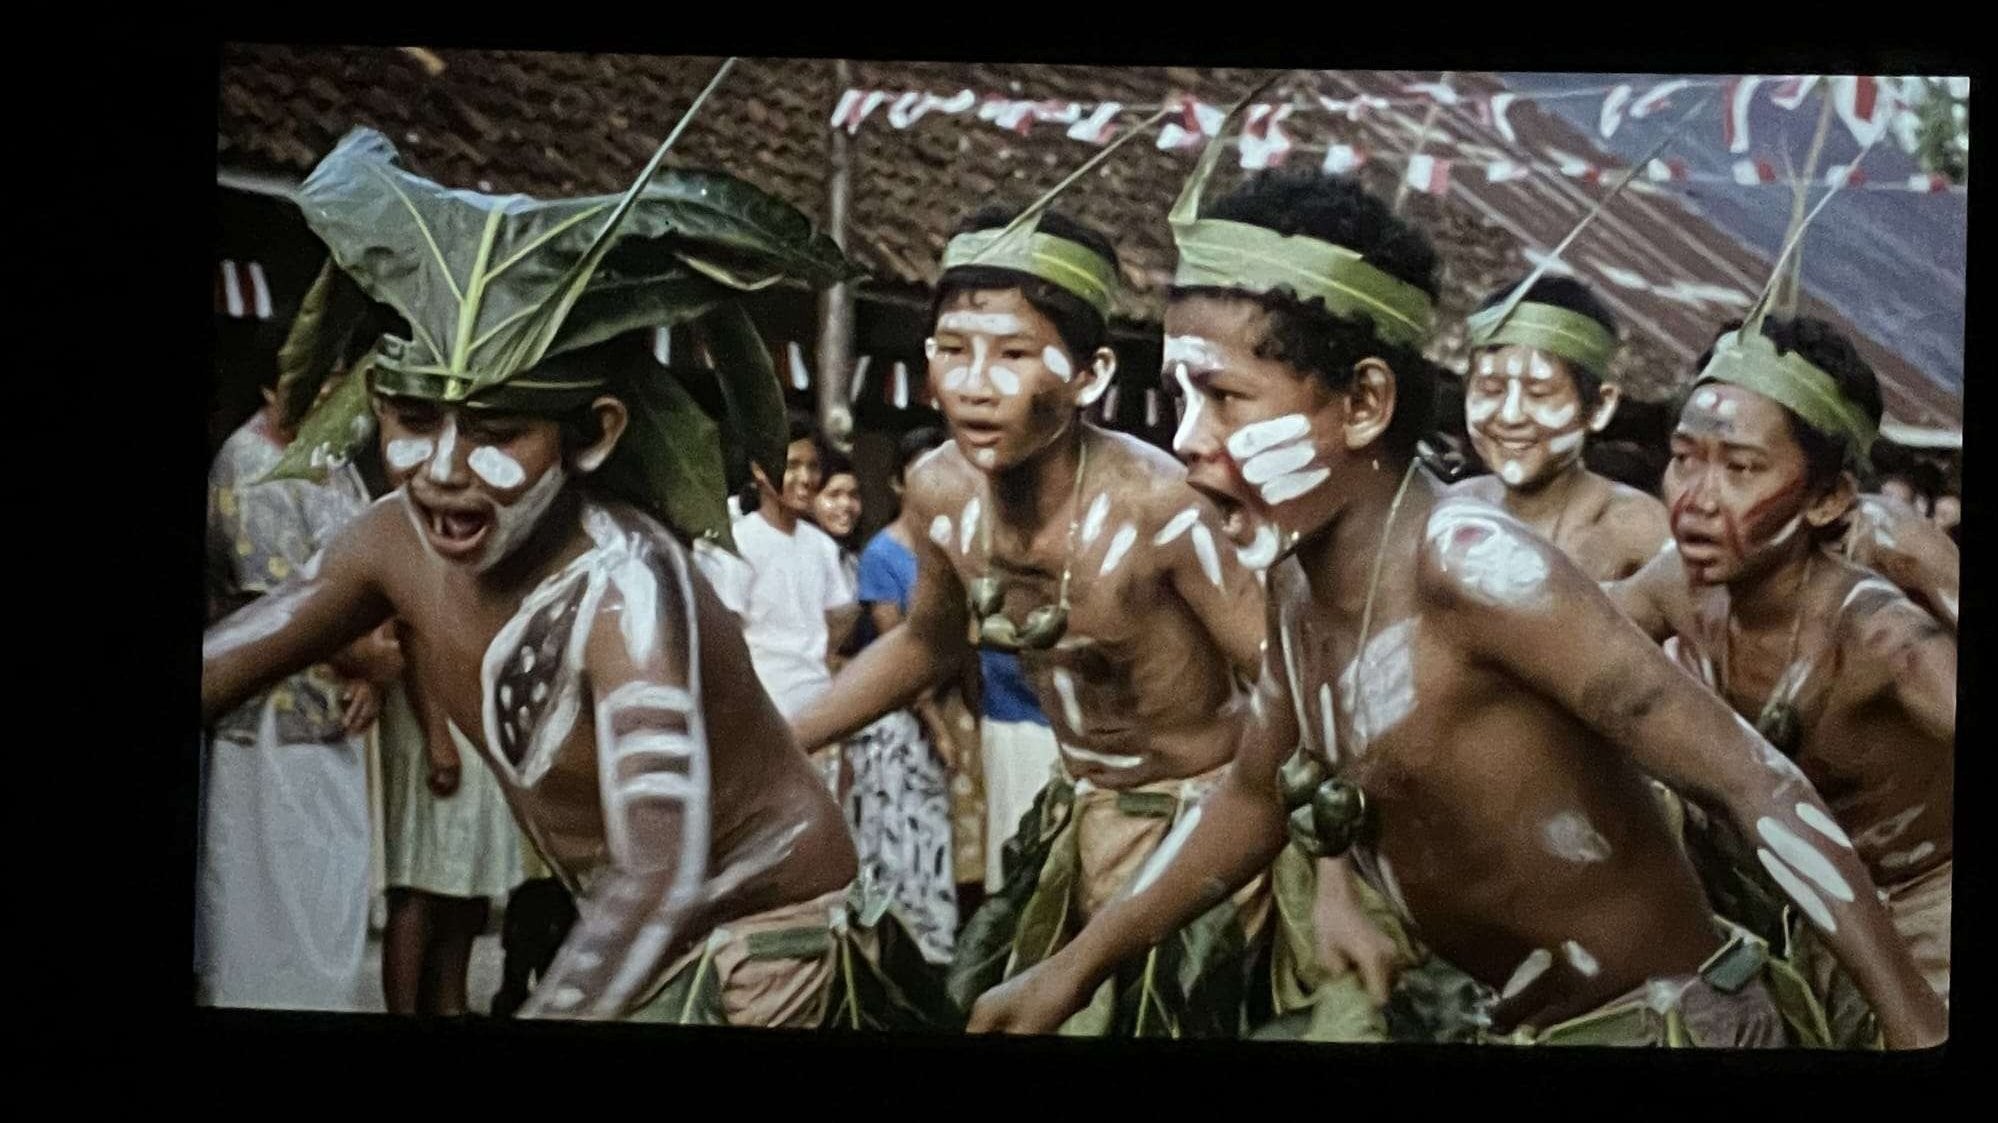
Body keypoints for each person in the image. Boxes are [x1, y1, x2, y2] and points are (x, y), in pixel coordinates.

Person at [967, 166, 1946, 1050]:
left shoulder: (1477, 567)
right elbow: (1255, 798)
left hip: (1667, 1026)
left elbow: (1752, 780)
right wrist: (1072, 966)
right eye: (1183, 396)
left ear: (1363, 404)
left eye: (1226, 397)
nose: (1189, 438)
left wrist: (1913, 1026)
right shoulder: (1295, 580)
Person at [202, 124, 948, 1029]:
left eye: (494, 431)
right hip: (643, 929)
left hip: (760, 936)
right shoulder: (386, 541)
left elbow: (659, 869)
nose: (440, 468)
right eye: (412, 418)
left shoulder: (625, 585)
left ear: (591, 432)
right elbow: (231, 657)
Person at [788, 202, 1319, 1038]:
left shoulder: (1165, 510)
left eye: (1012, 354)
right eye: (953, 350)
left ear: (1090, 375)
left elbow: (1293, 694)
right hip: (1073, 819)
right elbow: (927, 642)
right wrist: (783, 737)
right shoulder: (937, 490)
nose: (973, 383)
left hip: (1200, 832)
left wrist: (1334, 878)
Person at [1605, 315, 1955, 1042]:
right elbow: (1549, 644)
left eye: (1739, 468)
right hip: (1795, 917)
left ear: (1827, 499)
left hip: (1928, 921)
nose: (1695, 498)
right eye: (1683, 457)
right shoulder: (1675, 585)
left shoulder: (1882, 639)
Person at [199, 366, 405, 1011]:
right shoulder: (249, 461)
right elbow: (280, 606)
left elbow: (375, 571)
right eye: (317, 384)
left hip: (327, 710)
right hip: (269, 712)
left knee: (325, 891)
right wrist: (372, 663)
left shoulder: (327, 455)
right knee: (269, 906)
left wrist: (373, 670)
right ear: (270, 386)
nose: (331, 399)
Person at [1451, 275, 1670, 581]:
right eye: (1491, 389)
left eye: (1539, 393)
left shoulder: (1638, 530)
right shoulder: (1452, 505)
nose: (1511, 415)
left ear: (1598, 406)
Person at [841, 427, 963, 964]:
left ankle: (933, 955)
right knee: (888, 841)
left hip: (941, 712)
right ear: (897, 483)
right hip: (893, 722)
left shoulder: (953, 547)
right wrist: (939, 728)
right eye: (919, 472)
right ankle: (886, 958)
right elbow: (901, 655)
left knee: (932, 842)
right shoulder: (881, 555)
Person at [377, 653, 533, 1016]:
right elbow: (414, 634)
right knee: (420, 881)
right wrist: (436, 733)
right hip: (434, 714)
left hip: (480, 713)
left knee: (466, 881)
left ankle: (450, 1003)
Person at [734, 412, 859, 794]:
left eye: (812, 466)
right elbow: (725, 634)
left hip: (819, 711)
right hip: (760, 715)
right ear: (759, 469)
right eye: (791, 466)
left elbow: (838, 620)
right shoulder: (737, 540)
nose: (805, 478)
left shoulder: (820, 546)